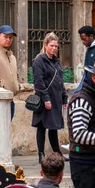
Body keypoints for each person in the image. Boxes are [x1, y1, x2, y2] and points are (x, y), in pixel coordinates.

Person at [31, 32, 68, 161]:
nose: (54, 48)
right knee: (41, 126)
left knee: (54, 126)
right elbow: (38, 83)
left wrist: (64, 98)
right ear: (45, 45)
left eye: (56, 46)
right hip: (44, 99)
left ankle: (57, 153)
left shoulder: (56, 61)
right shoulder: (39, 62)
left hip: (56, 98)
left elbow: (60, 80)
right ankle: (41, 154)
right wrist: (46, 98)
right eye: (51, 45)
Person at [75, 26, 95, 92]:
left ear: (91, 36)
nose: (83, 42)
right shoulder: (89, 49)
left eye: (84, 39)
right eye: (81, 40)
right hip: (88, 85)